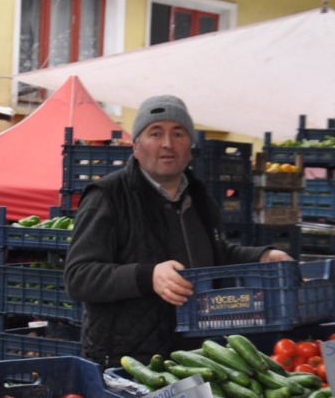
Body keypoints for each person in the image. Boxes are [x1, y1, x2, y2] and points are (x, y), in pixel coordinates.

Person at [64, 95, 290, 366]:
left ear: (190, 146)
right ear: (136, 145)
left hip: (195, 355)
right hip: (129, 362)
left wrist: (261, 257)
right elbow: (79, 277)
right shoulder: (108, 196)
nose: (167, 144)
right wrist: (149, 276)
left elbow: (213, 254)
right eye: (155, 133)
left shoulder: (199, 196)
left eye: (178, 133)